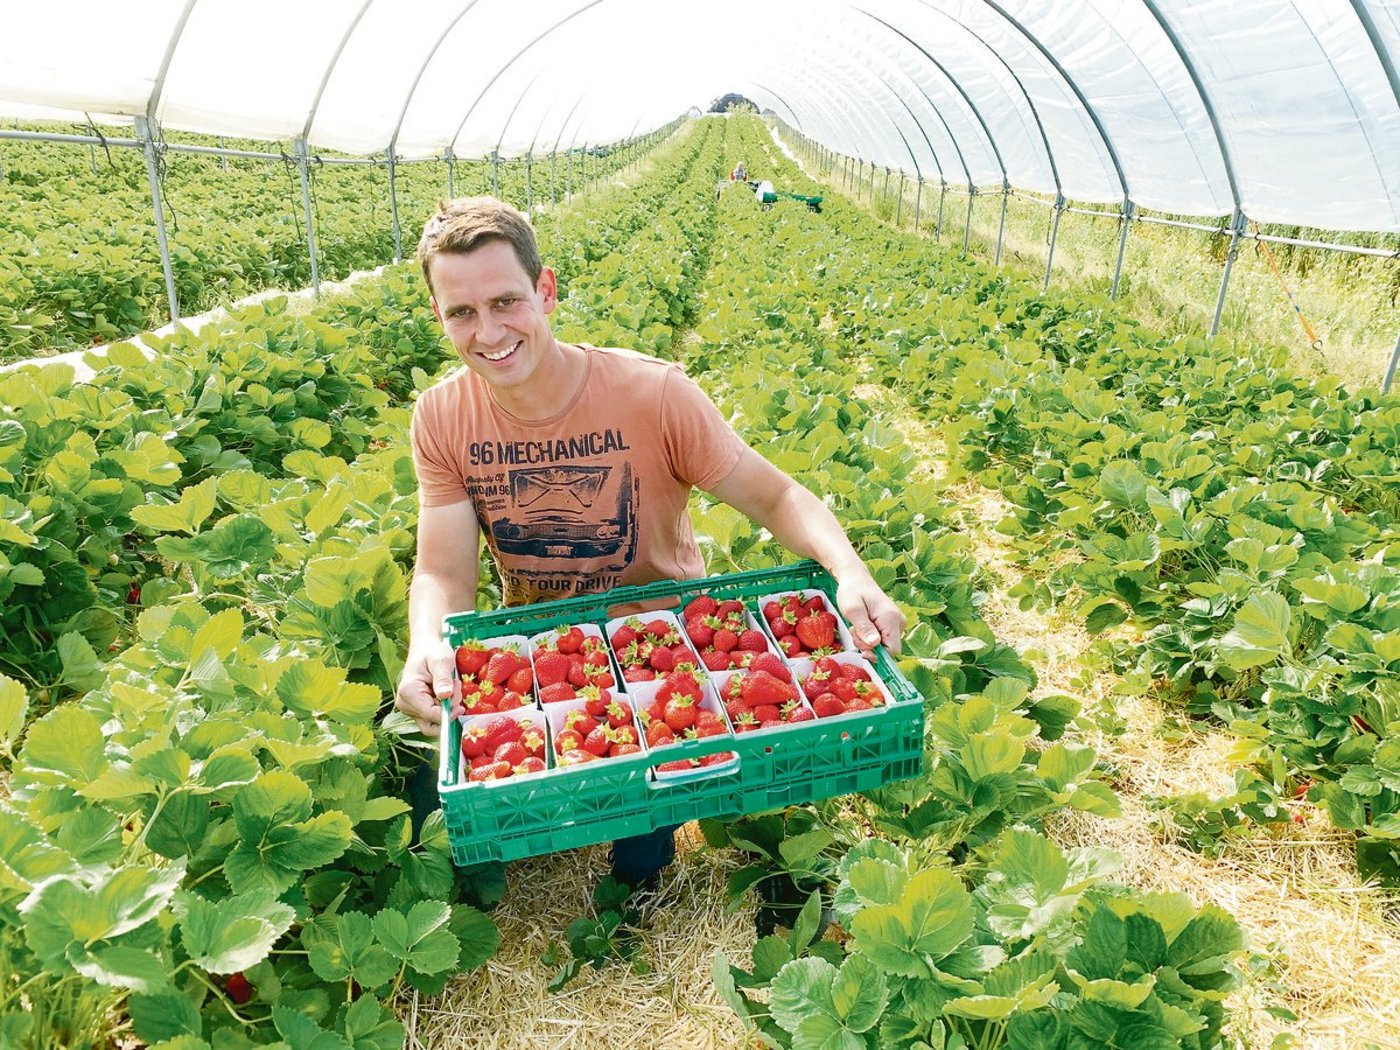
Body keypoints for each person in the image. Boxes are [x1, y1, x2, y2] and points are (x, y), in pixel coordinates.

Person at [394, 196, 906, 888]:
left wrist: (849, 572)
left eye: (506, 302)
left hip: (663, 643)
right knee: (419, 749)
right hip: (545, 645)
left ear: (545, 292)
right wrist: (426, 641)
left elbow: (778, 495)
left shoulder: (653, 393)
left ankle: (641, 873)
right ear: (440, 318)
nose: (488, 331)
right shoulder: (442, 416)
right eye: (462, 312)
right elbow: (443, 572)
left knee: (643, 837)